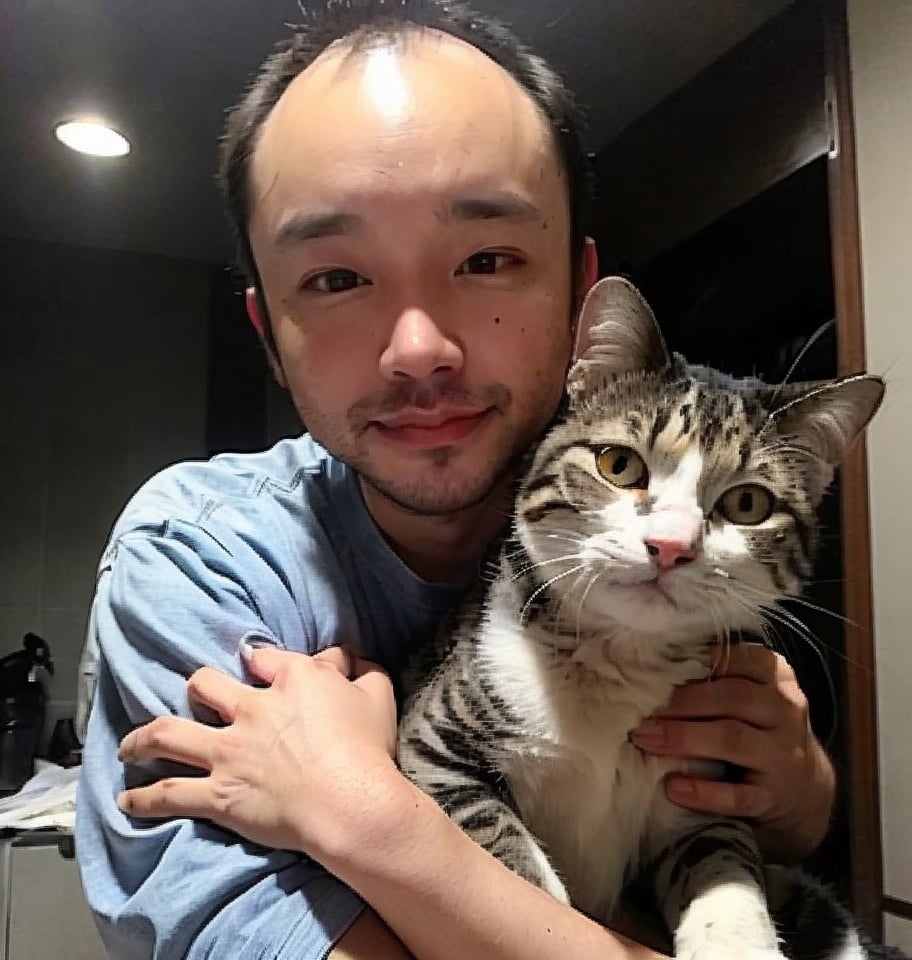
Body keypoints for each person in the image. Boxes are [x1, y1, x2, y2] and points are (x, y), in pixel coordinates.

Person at [75, 2, 837, 958]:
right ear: (270, 332)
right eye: (336, 278)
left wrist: (802, 795)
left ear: (574, 296)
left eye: (485, 258)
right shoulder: (199, 560)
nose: (418, 349)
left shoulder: (641, 538)